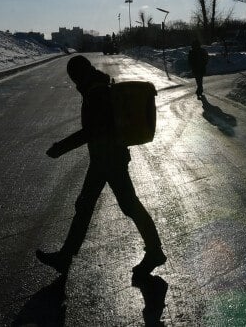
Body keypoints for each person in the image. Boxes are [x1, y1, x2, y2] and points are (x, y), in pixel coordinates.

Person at [36, 55, 166, 275]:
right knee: (92, 206)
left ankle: (154, 250)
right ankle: (65, 257)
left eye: (74, 76)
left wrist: (61, 147)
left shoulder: (96, 92)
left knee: (123, 205)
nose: (74, 81)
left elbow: (93, 130)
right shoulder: (98, 86)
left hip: (109, 160)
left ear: (80, 74)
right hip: (106, 159)